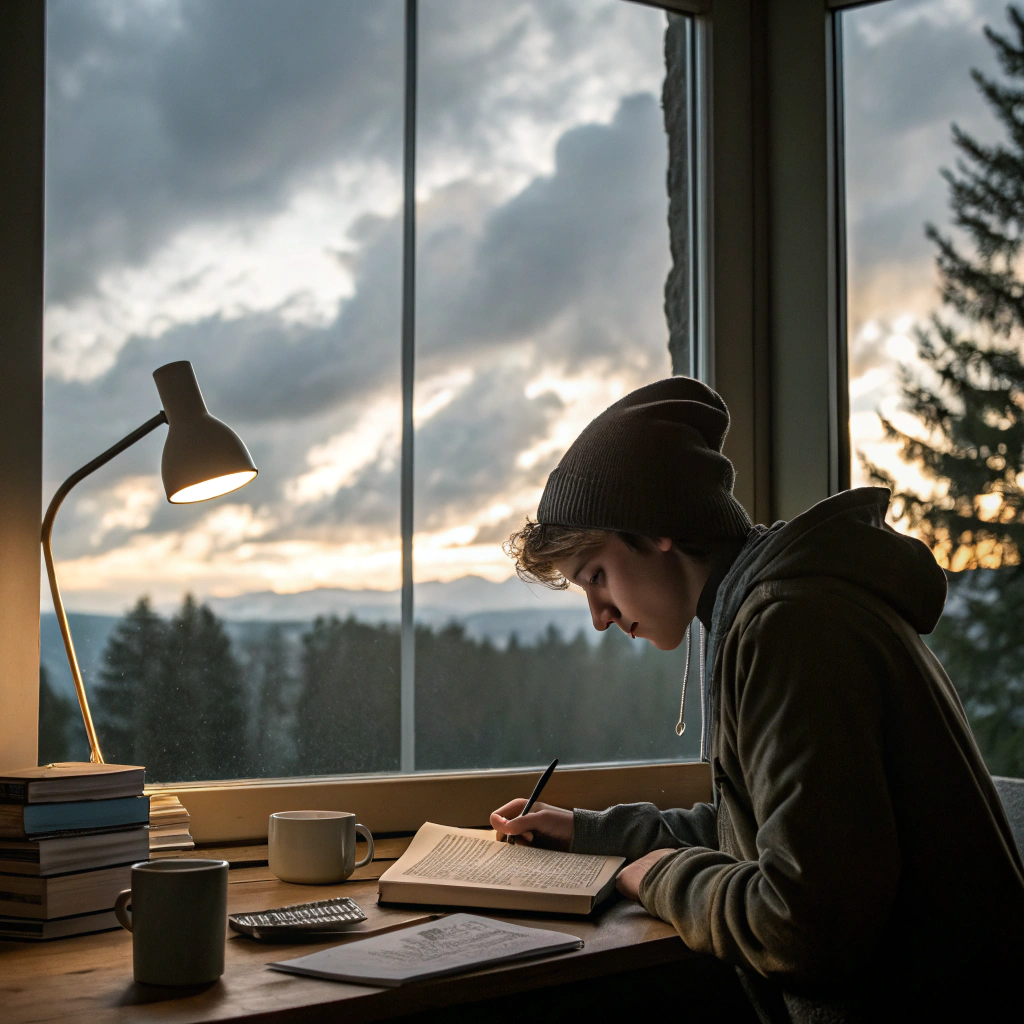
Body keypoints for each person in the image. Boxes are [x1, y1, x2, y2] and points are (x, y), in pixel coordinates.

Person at [489, 377, 1024, 1023]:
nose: (600, 616)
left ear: (657, 527)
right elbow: (758, 835)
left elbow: (804, 926)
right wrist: (593, 832)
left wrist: (658, 878)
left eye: (596, 576)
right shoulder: (766, 613)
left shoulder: (789, 629)